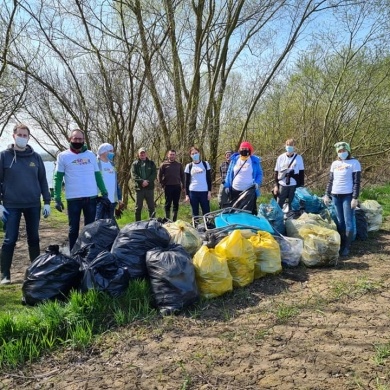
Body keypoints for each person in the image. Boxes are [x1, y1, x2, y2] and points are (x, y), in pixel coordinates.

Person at [0, 124, 51, 284]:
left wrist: (47, 201)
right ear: (13, 136)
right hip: (10, 205)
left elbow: (43, 180)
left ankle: (36, 271)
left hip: (33, 204)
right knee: (10, 239)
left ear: (29, 137)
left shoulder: (35, 157)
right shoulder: (4, 156)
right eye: (20, 134)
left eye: (25, 135)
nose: (22, 137)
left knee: (34, 238)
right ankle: (5, 274)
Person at [53, 129, 108, 251]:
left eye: (80, 139)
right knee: (73, 229)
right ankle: (73, 254)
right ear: (70, 139)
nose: (77, 141)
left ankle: (88, 253)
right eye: (75, 139)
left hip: (91, 198)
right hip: (73, 199)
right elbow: (58, 178)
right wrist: (57, 197)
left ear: (83, 140)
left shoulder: (90, 155)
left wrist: (104, 191)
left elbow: (97, 175)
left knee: (90, 229)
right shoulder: (63, 156)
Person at [323, 141, 361, 257]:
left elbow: (356, 182)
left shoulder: (354, 163)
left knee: (348, 221)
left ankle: (347, 247)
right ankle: (341, 243)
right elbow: (330, 181)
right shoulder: (334, 164)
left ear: (348, 151)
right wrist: (326, 194)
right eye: (339, 151)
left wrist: (355, 197)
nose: (342, 153)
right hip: (335, 195)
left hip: (347, 195)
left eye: (344, 150)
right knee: (340, 221)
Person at [224, 141, 263, 214]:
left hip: (249, 192)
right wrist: (227, 186)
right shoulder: (234, 160)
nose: (244, 150)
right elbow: (229, 173)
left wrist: (257, 183)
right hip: (235, 190)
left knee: (249, 212)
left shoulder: (254, 161)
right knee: (235, 211)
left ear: (249, 150)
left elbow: (259, 174)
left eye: (246, 148)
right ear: (239, 150)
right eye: (242, 148)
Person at [273, 139, 305, 210]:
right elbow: (276, 172)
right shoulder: (280, 158)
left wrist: (301, 187)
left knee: (293, 205)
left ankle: (291, 218)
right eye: (288, 145)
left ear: (294, 146)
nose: (289, 147)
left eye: (291, 145)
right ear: (285, 146)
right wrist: (276, 185)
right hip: (282, 185)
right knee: (279, 205)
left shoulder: (299, 158)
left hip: (294, 185)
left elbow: (301, 173)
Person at [95, 143, 123, 220]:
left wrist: (119, 197)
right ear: (103, 151)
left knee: (109, 224)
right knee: (98, 223)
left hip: (112, 200)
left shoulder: (112, 164)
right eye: (110, 151)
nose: (112, 153)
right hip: (100, 200)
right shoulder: (96, 164)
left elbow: (115, 182)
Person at [131, 147, 157, 221]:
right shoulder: (135, 164)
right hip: (139, 188)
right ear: (138, 154)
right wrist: (142, 181)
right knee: (138, 208)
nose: (142, 154)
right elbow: (133, 175)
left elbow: (154, 174)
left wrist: (147, 181)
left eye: (143, 153)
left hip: (149, 188)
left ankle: (152, 224)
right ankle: (137, 224)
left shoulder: (151, 163)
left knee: (151, 207)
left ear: (146, 154)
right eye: (141, 153)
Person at [184, 147, 212, 218]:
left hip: (204, 192)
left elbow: (209, 179)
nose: (195, 155)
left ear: (199, 153)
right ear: (190, 155)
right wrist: (187, 195)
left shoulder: (205, 164)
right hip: (193, 192)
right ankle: (196, 227)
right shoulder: (189, 166)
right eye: (193, 154)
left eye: (196, 153)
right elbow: (186, 182)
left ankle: (208, 227)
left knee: (206, 212)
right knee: (195, 212)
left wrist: (209, 191)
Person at [158, 149, 184, 221]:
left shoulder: (179, 165)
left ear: (175, 156)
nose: (172, 156)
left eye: (173, 154)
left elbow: (182, 176)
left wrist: (183, 185)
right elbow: (159, 176)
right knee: (168, 203)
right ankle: (167, 219)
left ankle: (174, 220)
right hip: (168, 187)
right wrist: (162, 185)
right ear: (168, 155)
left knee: (176, 204)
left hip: (177, 186)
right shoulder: (163, 164)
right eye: (170, 154)